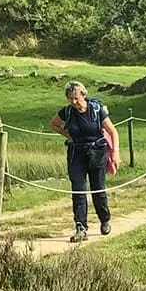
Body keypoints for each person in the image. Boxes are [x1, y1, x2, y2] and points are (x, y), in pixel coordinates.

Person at [51, 80, 117, 241]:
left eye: (76, 98)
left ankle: (104, 219)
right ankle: (81, 227)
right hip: (76, 153)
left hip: (97, 152)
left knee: (98, 188)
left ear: (83, 95)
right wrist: (68, 136)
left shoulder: (96, 110)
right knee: (78, 189)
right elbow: (54, 124)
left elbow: (113, 131)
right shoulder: (66, 112)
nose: (73, 102)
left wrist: (115, 153)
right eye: (70, 98)